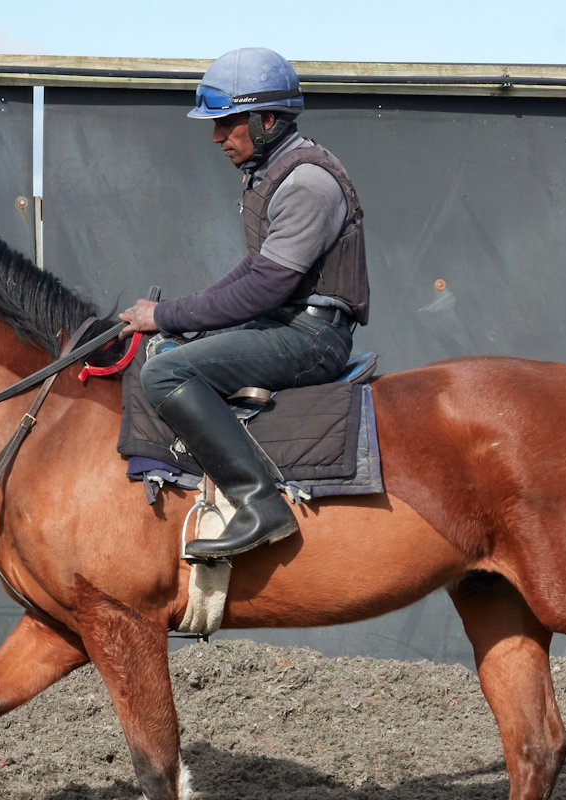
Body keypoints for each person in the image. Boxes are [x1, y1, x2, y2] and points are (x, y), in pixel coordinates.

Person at [118, 46, 370, 561]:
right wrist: (171, 319)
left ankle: (260, 505)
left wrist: (163, 314)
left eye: (226, 123)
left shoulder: (306, 182)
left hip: (312, 337)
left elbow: (264, 289)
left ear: (266, 121)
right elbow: (252, 271)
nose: (217, 137)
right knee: (166, 350)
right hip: (287, 323)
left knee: (165, 374)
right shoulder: (270, 173)